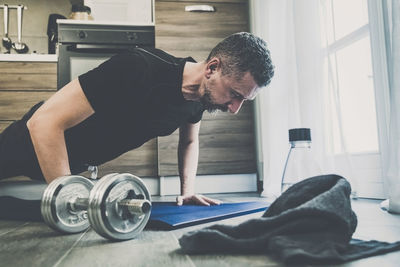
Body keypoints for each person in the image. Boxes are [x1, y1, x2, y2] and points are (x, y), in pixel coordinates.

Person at [0, 32, 274, 206]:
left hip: (74, 163)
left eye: (243, 101)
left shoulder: (198, 100)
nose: (235, 108)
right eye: (235, 94)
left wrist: (187, 190)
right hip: (29, 143)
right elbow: (43, 123)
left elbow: (190, 143)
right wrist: (69, 198)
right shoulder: (139, 67)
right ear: (212, 68)